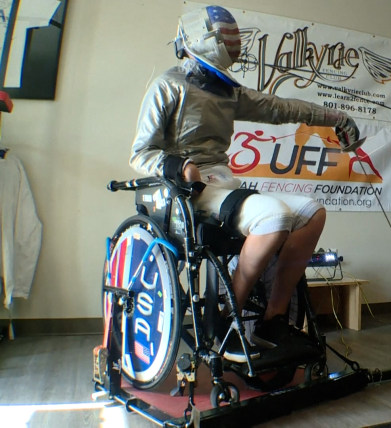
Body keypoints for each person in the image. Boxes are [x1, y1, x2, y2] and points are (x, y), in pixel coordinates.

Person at [128, 5, 363, 362]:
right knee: (274, 217)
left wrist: (336, 118)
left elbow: (281, 108)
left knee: (311, 212)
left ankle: (274, 319)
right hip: (188, 193)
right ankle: (227, 320)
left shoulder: (228, 93)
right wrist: (181, 166)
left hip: (223, 185)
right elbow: (141, 153)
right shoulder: (168, 85)